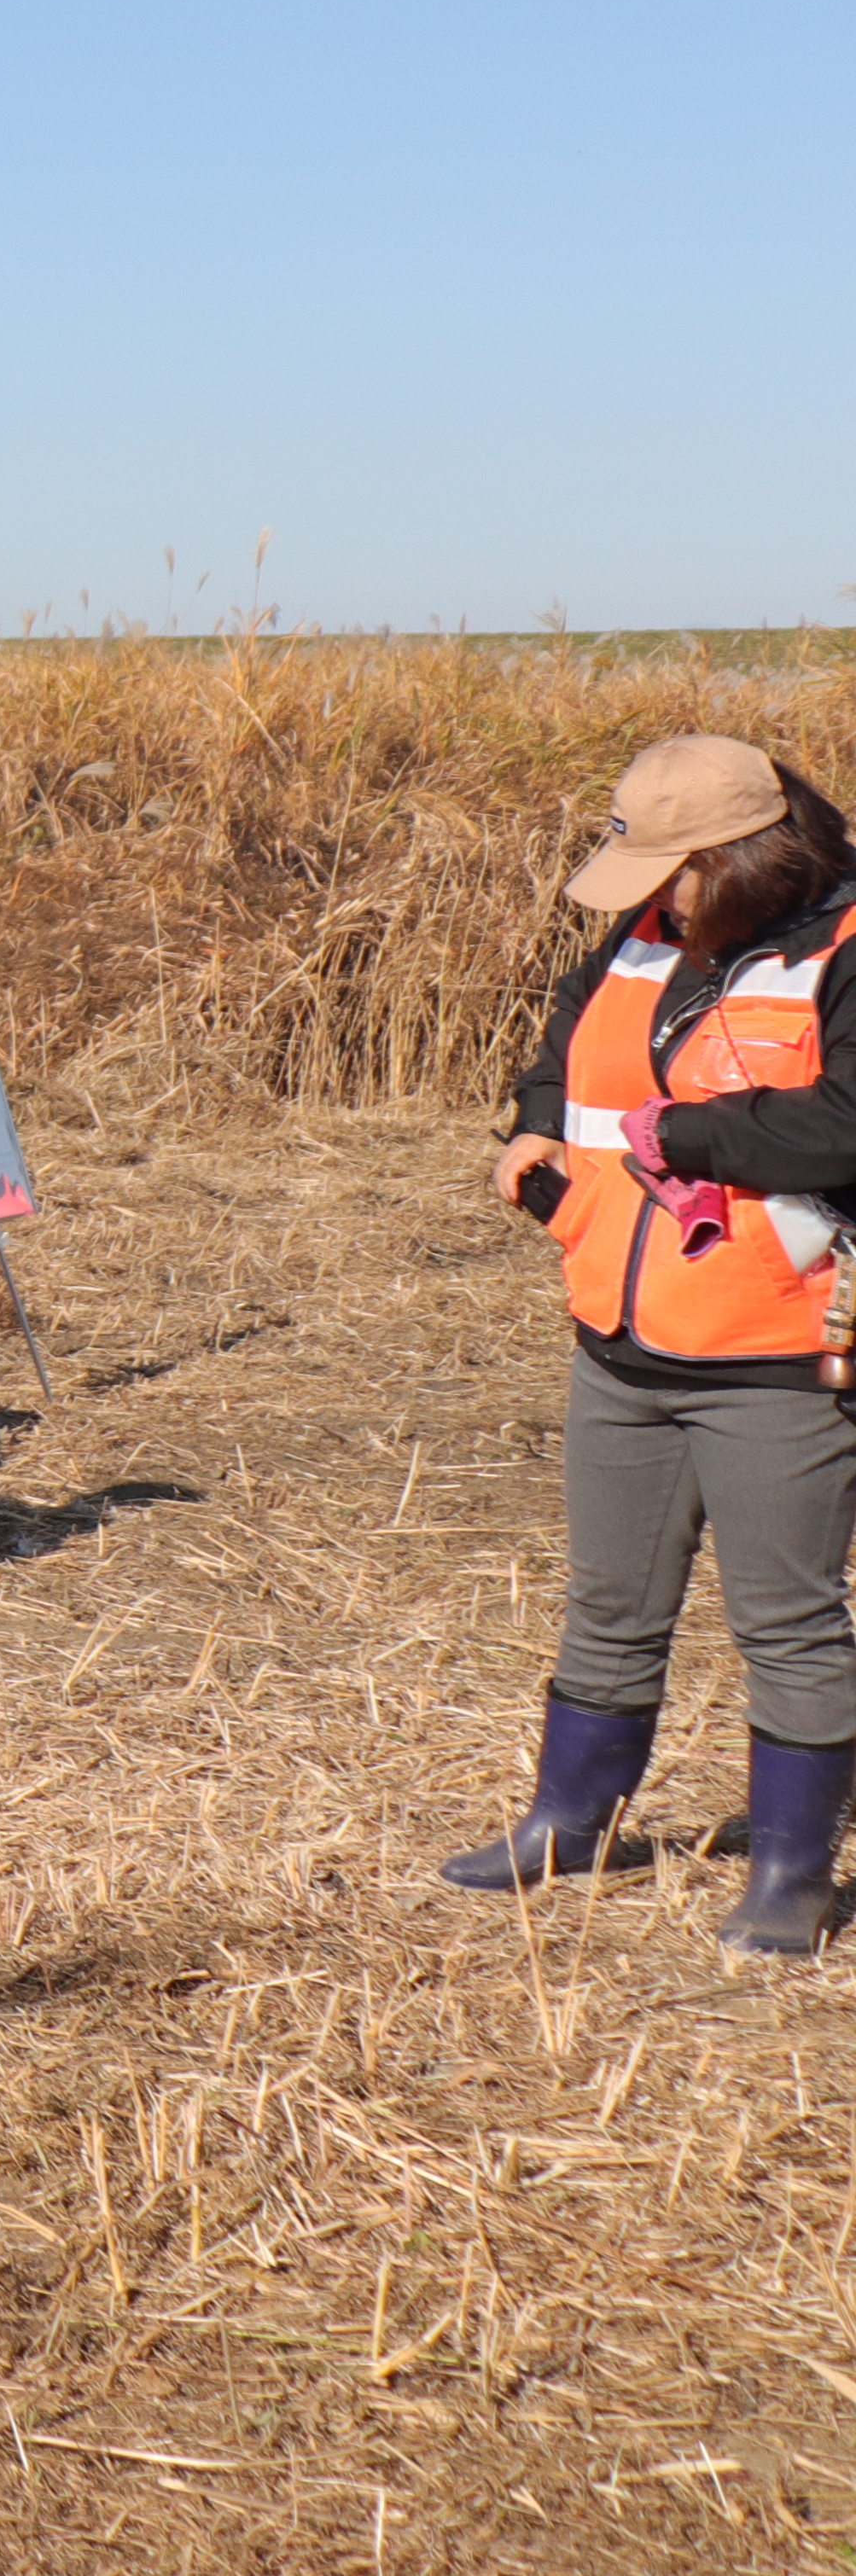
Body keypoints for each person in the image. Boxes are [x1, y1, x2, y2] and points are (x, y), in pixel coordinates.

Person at [459, 734, 856, 1955]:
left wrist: (691, 1138)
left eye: (674, 871)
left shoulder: (844, 953)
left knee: (787, 1623)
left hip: (776, 1354)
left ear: (746, 856)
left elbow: (844, 1127)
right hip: (617, 1337)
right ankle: (566, 1825)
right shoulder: (640, 940)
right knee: (608, 1606)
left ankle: (790, 1877)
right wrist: (534, 1140)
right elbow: (564, 1065)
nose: (650, 897)